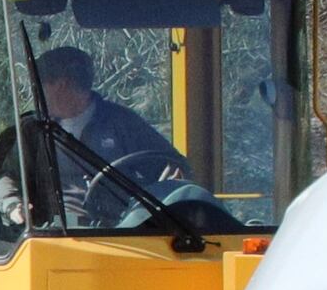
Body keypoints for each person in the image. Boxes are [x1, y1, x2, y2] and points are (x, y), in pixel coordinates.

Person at [27, 42, 199, 227]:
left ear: (61, 85)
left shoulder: (123, 124)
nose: (36, 94)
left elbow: (173, 166)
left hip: (119, 233)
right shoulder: (33, 129)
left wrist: (170, 181)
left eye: (40, 86)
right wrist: (13, 205)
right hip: (54, 236)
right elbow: (7, 174)